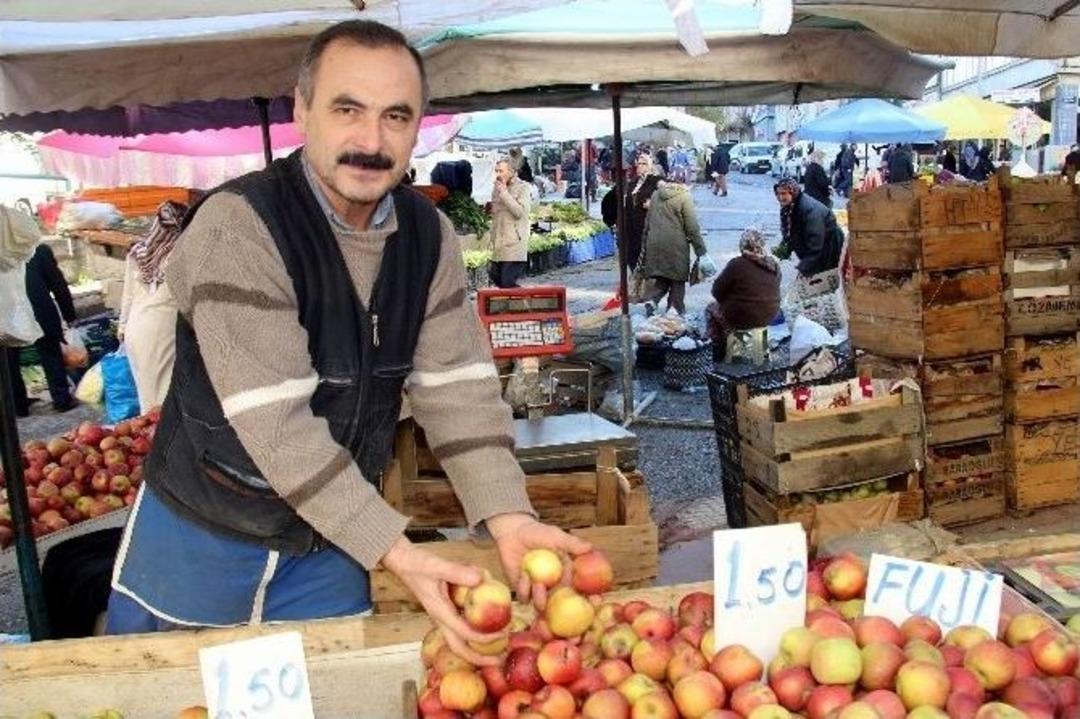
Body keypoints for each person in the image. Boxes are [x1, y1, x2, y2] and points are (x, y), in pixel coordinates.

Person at [105, 21, 589, 658]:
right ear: (303, 110)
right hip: (205, 534)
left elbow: (459, 390)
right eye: (347, 109)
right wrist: (397, 552)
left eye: (396, 115)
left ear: (420, 126)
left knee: (338, 690)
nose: (371, 140)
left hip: (332, 539)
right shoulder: (239, 228)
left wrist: (509, 514)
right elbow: (277, 423)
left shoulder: (427, 235)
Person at [118, 200, 186, 413]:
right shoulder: (180, 254)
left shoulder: (139, 252)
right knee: (164, 395)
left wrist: (122, 328)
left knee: (147, 392)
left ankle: (151, 436)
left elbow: (127, 296)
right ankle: (160, 439)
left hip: (135, 329)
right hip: (162, 331)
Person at [8, 242, 79, 414]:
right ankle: (61, 400)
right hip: (38, 311)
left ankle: (18, 406)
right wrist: (69, 315)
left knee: (9, 361)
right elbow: (58, 285)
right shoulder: (38, 250)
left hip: (8, 315)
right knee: (50, 354)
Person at [638, 179, 706, 315]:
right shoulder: (684, 197)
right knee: (677, 279)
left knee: (662, 277)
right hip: (676, 245)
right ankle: (675, 311)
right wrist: (701, 251)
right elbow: (692, 227)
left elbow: (648, 222)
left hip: (655, 243)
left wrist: (644, 246)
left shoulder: (656, 195)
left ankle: (652, 300)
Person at [706, 229, 781, 350]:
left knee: (711, 309)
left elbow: (716, 291)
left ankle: (719, 349)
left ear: (742, 246)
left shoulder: (737, 264)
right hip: (769, 316)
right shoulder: (774, 265)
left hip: (742, 318)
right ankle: (753, 348)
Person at [775, 178, 842, 277]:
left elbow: (816, 243)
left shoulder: (809, 210)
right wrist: (778, 255)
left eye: (784, 193)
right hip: (816, 247)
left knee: (820, 281)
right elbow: (789, 234)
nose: (780, 197)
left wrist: (804, 267)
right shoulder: (789, 207)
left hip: (828, 247)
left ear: (792, 193)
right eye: (778, 193)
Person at [488, 158, 532, 288]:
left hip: (514, 242)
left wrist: (505, 193)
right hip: (498, 242)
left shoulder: (523, 187)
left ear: (511, 171)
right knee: (495, 276)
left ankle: (522, 304)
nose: (497, 174)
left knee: (507, 281)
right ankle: (509, 306)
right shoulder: (497, 187)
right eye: (496, 171)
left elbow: (519, 212)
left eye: (501, 171)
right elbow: (497, 213)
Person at [621, 154, 662, 275]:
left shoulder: (656, 180)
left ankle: (647, 278)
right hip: (631, 223)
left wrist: (654, 202)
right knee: (631, 253)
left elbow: (672, 192)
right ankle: (636, 277)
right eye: (639, 163)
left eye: (644, 164)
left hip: (647, 223)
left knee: (645, 252)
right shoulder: (633, 182)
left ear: (650, 166)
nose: (640, 166)